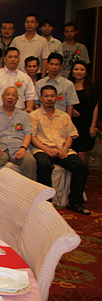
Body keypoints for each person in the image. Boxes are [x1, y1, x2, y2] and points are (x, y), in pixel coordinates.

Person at [31, 85, 90, 215]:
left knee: (82, 166)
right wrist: (46, 149)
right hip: (43, 149)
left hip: (62, 149)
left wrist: (65, 148)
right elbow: (32, 137)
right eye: (46, 96)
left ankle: (75, 202)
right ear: (41, 98)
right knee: (43, 164)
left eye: (52, 96)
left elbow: (70, 135)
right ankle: (46, 202)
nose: (49, 99)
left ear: (57, 98)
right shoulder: (34, 115)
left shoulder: (64, 116)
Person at [0, 87, 35, 200]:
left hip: (18, 148)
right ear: (2, 97)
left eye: (13, 95)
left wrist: (23, 148)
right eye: (8, 94)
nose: (10, 97)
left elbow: (28, 134)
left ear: (17, 99)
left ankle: (27, 196)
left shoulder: (23, 115)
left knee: (30, 161)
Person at [0, 47, 36, 112]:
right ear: (4, 59)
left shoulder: (25, 77)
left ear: (19, 59)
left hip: (19, 112)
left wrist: (29, 108)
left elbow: (30, 97)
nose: (13, 59)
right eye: (10, 57)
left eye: (15, 57)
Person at [69, 62, 100, 160]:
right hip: (71, 122)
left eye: (82, 70)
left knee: (82, 152)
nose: (79, 72)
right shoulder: (68, 86)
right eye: (76, 69)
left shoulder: (92, 88)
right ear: (72, 71)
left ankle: (82, 169)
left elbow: (95, 107)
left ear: (86, 73)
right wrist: (71, 109)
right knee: (71, 150)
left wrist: (93, 125)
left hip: (86, 123)